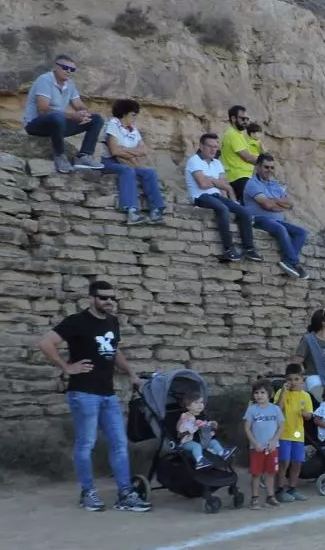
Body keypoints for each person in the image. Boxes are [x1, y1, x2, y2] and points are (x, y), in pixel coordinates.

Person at [37, 280, 150, 512]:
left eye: (112, 298)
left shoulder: (112, 322)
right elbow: (46, 343)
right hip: (83, 393)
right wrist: (66, 366)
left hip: (108, 394)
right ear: (91, 298)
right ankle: (88, 492)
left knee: (119, 443)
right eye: (103, 297)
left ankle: (125, 495)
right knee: (86, 444)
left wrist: (131, 373)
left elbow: (114, 350)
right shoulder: (77, 321)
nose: (109, 302)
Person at [22, 54, 105, 174]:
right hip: (35, 125)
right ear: (56, 67)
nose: (69, 72)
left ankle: (84, 156)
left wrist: (83, 113)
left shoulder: (69, 84)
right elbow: (43, 110)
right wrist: (72, 116)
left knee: (96, 119)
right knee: (58, 116)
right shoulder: (45, 80)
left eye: (72, 69)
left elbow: (78, 104)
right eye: (65, 68)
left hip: (58, 125)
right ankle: (60, 156)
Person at [186, 132, 258, 263]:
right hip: (200, 196)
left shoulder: (217, 163)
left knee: (245, 212)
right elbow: (202, 184)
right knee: (223, 209)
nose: (213, 149)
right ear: (201, 146)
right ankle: (229, 249)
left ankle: (249, 249)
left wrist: (211, 179)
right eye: (210, 146)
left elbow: (224, 185)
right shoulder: (194, 161)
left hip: (217, 196)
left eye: (215, 146)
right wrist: (215, 182)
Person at [243, 153, 310, 279]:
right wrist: (278, 203)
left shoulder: (275, 184)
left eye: (272, 168)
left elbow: (290, 204)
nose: (269, 170)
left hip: (278, 220)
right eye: (266, 167)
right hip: (259, 219)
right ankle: (294, 263)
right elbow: (266, 205)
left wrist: (272, 201)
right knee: (281, 229)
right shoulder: (252, 183)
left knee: (302, 232)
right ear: (258, 167)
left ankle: (288, 261)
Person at [100, 99, 165, 225]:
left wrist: (124, 150)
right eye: (132, 114)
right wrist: (132, 151)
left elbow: (143, 150)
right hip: (110, 162)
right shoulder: (113, 124)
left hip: (127, 161)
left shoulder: (133, 130)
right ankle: (131, 211)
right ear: (124, 114)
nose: (135, 118)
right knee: (127, 171)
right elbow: (114, 151)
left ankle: (156, 210)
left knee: (149, 172)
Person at [273, 364, 315, 503]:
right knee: (284, 462)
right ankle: (279, 489)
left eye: (297, 379)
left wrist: (306, 414)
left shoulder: (306, 396)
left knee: (297, 462)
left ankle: (292, 488)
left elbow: (309, 415)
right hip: (284, 433)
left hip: (298, 434)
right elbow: (277, 410)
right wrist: (283, 393)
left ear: (302, 380)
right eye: (290, 379)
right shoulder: (281, 392)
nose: (293, 382)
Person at [243, 379, 284, 510]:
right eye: (256, 393)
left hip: (272, 447)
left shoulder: (276, 409)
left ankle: (270, 496)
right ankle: (255, 498)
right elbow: (247, 428)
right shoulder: (252, 410)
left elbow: (281, 426)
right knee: (256, 474)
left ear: (269, 394)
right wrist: (255, 443)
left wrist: (274, 441)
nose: (259, 395)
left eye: (262, 392)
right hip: (257, 448)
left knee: (271, 473)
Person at [176, 393, 230, 469]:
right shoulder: (185, 416)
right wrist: (195, 425)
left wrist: (211, 424)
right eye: (196, 402)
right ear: (188, 406)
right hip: (188, 442)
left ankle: (222, 453)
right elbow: (182, 428)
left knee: (213, 442)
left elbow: (205, 427)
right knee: (196, 446)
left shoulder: (202, 415)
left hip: (203, 441)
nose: (200, 405)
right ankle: (200, 461)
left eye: (201, 402)